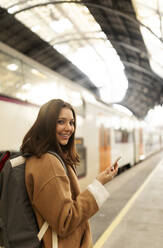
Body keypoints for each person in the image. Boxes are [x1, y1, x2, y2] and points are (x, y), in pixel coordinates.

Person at [21, 99, 119, 248]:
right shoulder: (48, 162)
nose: (68, 128)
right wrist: (98, 185)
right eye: (61, 122)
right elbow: (65, 222)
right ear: (46, 123)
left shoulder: (46, 157)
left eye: (71, 123)